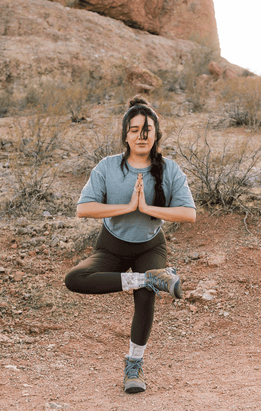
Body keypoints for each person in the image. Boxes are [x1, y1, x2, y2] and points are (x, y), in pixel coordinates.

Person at [65, 95, 196, 394]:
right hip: (111, 246)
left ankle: (133, 367)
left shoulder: (170, 170)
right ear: (125, 134)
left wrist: (148, 209)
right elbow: (83, 208)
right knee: (75, 278)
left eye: (147, 130)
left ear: (156, 135)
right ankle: (148, 279)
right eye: (135, 129)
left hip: (150, 246)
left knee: (145, 298)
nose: (141, 135)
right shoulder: (108, 167)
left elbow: (189, 213)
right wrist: (127, 206)